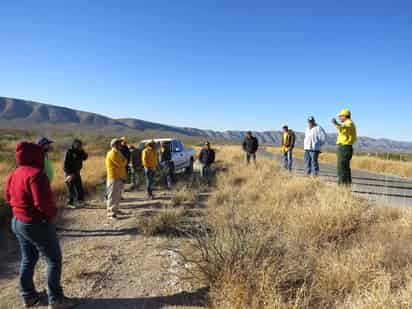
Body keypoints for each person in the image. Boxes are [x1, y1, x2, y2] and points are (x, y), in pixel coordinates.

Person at [5, 142, 75, 309]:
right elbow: (42, 204)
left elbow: (8, 198)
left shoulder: (15, 173)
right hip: (35, 223)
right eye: (42, 155)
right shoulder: (37, 175)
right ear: (37, 156)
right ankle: (56, 299)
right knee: (53, 260)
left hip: (17, 221)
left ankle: (28, 296)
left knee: (28, 259)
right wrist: (51, 216)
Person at [332, 109, 357, 185]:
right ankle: (347, 185)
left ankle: (342, 186)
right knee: (345, 168)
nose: (340, 118)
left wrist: (336, 123)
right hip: (345, 147)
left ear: (345, 116)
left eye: (340, 116)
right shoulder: (349, 123)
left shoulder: (348, 123)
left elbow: (343, 129)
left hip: (344, 148)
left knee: (341, 168)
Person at [105, 138, 128, 219]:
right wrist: (124, 161)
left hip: (119, 176)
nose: (120, 145)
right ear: (114, 145)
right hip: (113, 177)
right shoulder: (112, 153)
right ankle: (111, 213)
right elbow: (122, 163)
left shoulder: (118, 153)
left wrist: (124, 161)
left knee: (117, 195)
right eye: (119, 144)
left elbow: (124, 161)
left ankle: (115, 210)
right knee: (112, 196)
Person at [63, 139, 88, 208]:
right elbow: (65, 164)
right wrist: (68, 174)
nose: (80, 146)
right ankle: (70, 203)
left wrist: (82, 151)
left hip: (76, 172)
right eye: (78, 144)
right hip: (69, 173)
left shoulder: (79, 151)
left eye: (80, 145)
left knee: (79, 187)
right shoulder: (69, 151)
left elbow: (85, 157)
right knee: (71, 188)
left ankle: (80, 202)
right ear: (74, 144)